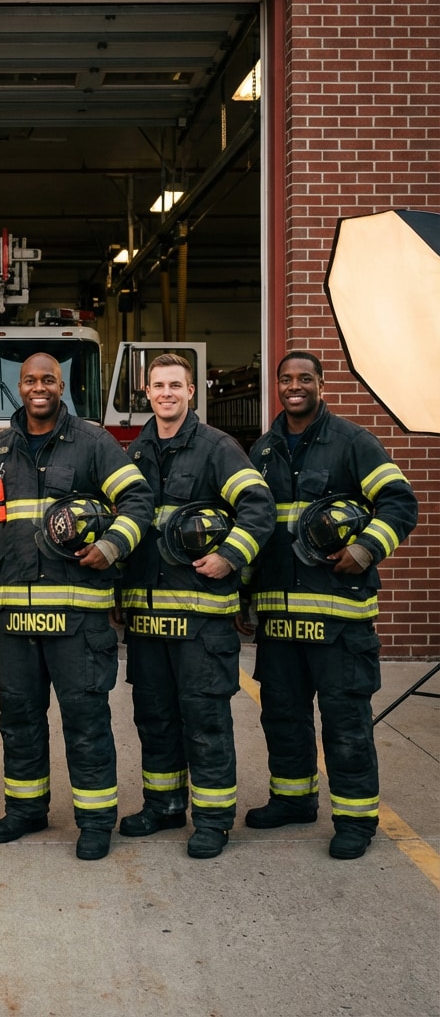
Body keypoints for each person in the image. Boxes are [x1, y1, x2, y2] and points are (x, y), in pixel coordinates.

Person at [0, 353, 154, 861]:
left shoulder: (94, 442)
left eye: (48, 379)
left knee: (85, 720)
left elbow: (138, 500)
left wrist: (112, 545)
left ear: (61, 384)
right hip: (15, 620)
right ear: (19, 386)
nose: (39, 387)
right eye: (30, 380)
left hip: (77, 620)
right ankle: (26, 811)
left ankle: (95, 822)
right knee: (19, 719)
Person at [236, 350, 418, 859]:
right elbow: (256, 529)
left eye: (304, 379)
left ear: (321, 384)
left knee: (344, 721)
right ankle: (293, 800)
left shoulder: (353, 442)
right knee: (283, 716)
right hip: (280, 620)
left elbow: (400, 502)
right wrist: (244, 597)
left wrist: (364, 549)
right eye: (285, 379)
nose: (294, 387)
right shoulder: (264, 452)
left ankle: (356, 820)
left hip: (339, 620)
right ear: (277, 386)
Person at [119, 353, 276, 859]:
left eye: (175, 385)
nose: (166, 393)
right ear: (146, 392)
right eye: (158, 385)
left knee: (205, 719)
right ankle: (163, 806)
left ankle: (212, 820)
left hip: (201, 622)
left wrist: (231, 556)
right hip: (147, 622)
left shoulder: (217, 448)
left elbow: (258, 506)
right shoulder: (135, 451)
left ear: (191, 392)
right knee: (155, 718)